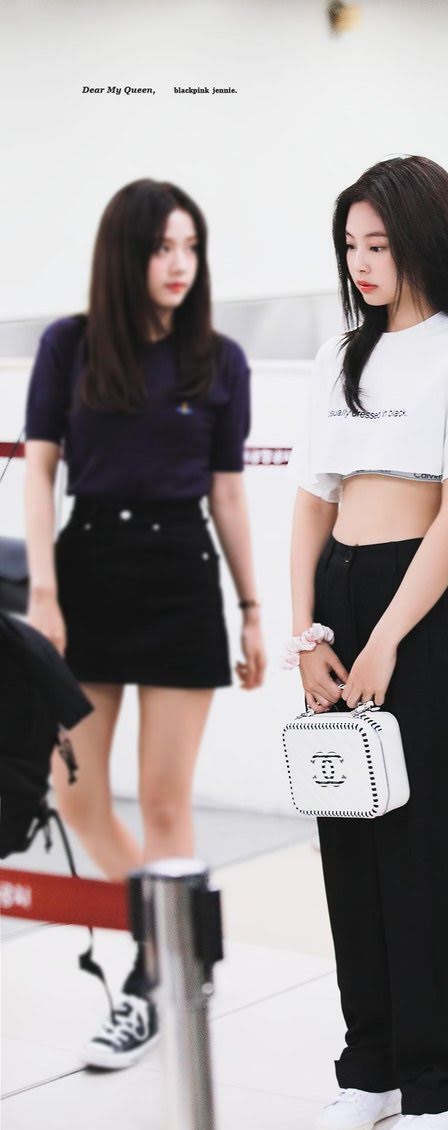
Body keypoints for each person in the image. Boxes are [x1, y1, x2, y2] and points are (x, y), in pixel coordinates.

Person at [286, 155, 448, 1130]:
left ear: (424, 239)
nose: (362, 262)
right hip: (338, 599)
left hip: (413, 604)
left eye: (378, 243)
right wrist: (308, 633)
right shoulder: (341, 353)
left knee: (423, 847)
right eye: (350, 245)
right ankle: (372, 1065)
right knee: (348, 844)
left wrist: (386, 637)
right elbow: (312, 502)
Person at [24, 178, 266, 1069]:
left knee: (165, 801)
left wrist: (252, 610)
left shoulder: (219, 360)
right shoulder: (70, 345)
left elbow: (228, 494)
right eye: (163, 246)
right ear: (125, 253)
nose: (179, 264)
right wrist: (44, 592)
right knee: (78, 796)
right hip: (87, 572)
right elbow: (39, 472)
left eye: (191, 247)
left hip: (179, 579)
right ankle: (172, 941)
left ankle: (156, 976)